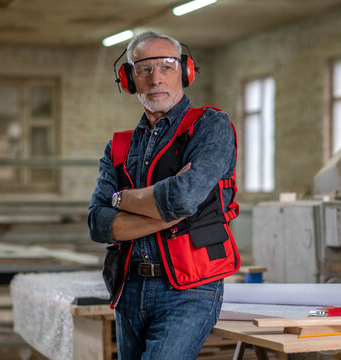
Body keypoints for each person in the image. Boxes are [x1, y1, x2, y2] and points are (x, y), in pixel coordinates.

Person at [88, 30, 241, 360]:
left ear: (185, 72)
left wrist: (122, 198)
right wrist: (166, 205)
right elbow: (97, 224)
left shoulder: (210, 126)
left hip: (190, 288)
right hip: (130, 288)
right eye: (143, 68)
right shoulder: (119, 146)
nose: (155, 78)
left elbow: (184, 198)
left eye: (167, 66)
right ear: (129, 78)